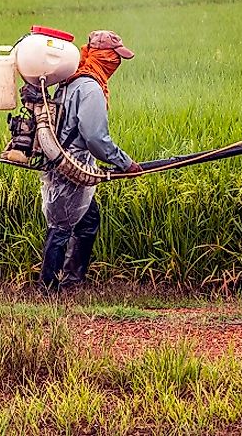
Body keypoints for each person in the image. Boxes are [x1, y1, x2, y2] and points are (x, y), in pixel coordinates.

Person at [38, 30, 142, 291]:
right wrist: (125, 163)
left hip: (64, 161)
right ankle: (48, 288)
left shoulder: (71, 81)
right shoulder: (90, 87)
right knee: (61, 226)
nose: (116, 63)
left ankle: (73, 281)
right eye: (115, 57)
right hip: (71, 167)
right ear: (104, 56)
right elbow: (95, 138)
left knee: (87, 220)